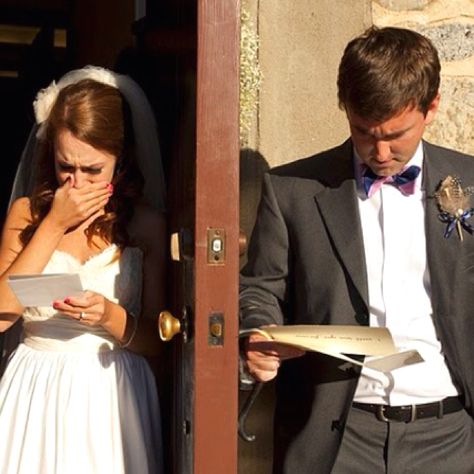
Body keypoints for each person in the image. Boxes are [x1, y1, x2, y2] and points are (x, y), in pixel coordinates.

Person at [240, 26, 474, 474]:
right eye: (363, 132)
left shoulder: (470, 182)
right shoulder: (292, 190)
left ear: (433, 106)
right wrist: (258, 334)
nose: (380, 151)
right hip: (338, 439)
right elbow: (259, 289)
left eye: (396, 134)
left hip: (450, 435)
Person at [0, 66, 166, 473]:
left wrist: (109, 316)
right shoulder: (27, 215)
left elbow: (161, 339)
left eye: (93, 170)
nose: (76, 183)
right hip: (35, 384)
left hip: (110, 390)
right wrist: (53, 224)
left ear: (120, 161)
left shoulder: (145, 226)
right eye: (65, 167)